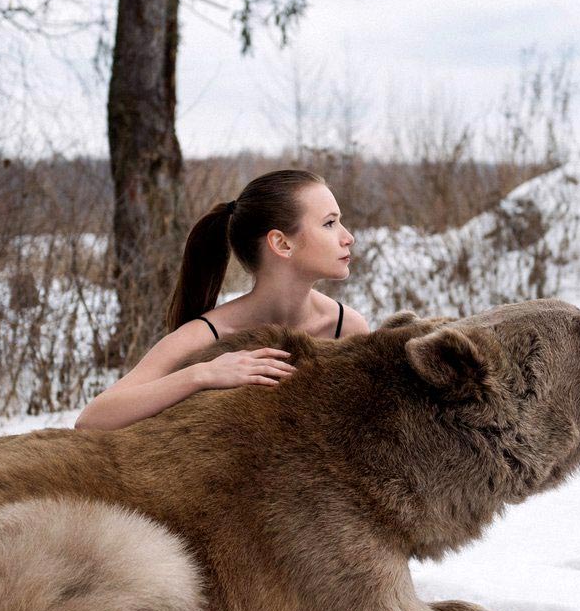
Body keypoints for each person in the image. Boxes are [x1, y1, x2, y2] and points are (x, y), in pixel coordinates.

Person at [75, 169, 369, 431]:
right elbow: (92, 419)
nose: (348, 237)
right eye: (330, 223)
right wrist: (204, 373)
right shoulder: (207, 335)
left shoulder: (347, 328)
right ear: (282, 243)